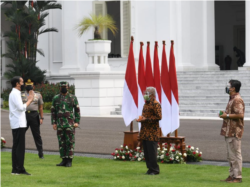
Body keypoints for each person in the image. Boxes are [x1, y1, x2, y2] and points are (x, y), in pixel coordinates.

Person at [219, 80, 245, 183]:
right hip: (229, 130)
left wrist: (227, 116)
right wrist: (225, 115)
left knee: (235, 154)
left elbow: (240, 114)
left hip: (235, 131)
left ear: (233, 88)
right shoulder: (231, 99)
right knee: (230, 155)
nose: (227, 87)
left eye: (228, 86)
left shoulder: (237, 100)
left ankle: (237, 177)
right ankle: (232, 175)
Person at [51, 81, 80, 167]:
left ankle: (69, 160)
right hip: (60, 124)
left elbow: (77, 110)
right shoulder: (56, 98)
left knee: (70, 142)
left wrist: (77, 122)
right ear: (59, 88)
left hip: (69, 124)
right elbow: (53, 111)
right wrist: (54, 123)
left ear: (68, 88)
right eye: (62, 87)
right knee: (61, 142)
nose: (64, 88)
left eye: (65, 87)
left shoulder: (73, 98)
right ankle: (63, 159)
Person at [9, 76, 34, 175]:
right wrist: (30, 100)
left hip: (17, 123)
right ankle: (19, 168)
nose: (23, 84)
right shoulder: (15, 93)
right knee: (19, 147)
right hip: (18, 123)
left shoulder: (15, 93)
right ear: (17, 84)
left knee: (16, 146)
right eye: (22, 82)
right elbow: (20, 108)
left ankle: (15, 169)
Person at [138, 87, 162, 175]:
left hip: (152, 133)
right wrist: (141, 119)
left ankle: (155, 170)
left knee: (152, 152)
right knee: (147, 153)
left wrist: (146, 119)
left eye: (147, 93)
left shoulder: (156, 104)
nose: (145, 95)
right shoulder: (146, 104)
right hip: (145, 132)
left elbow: (158, 117)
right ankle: (150, 168)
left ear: (152, 94)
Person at [21, 79, 44, 159]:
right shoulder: (21, 94)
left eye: (30, 85)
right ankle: (20, 152)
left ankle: (40, 153)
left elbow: (41, 107)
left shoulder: (37, 95)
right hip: (24, 115)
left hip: (34, 115)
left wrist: (41, 117)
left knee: (37, 135)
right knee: (21, 133)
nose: (29, 86)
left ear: (33, 86)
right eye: (27, 85)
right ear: (25, 86)